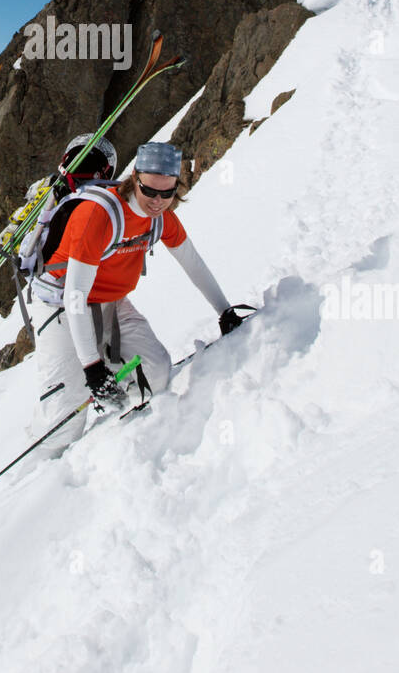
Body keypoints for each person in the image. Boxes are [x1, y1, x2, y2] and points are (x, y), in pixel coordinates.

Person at [30, 139, 241, 450]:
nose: (157, 200)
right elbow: (75, 294)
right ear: (134, 179)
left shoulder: (160, 217)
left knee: (155, 372)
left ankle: (112, 431)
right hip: (60, 303)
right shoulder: (99, 216)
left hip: (110, 302)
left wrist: (225, 311)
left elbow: (192, 263)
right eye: (149, 191)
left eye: (167, 192)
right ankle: (44, 473)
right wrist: (91, 366)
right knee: (66, 418)